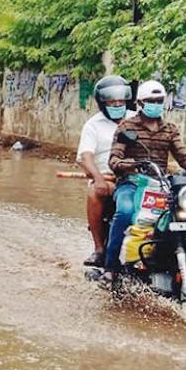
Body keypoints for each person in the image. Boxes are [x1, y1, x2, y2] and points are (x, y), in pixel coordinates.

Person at [104, 80, 186, 272]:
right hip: (132, 183)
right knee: (124, 212)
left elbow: (184, 157)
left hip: (161, 185)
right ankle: (111, 267)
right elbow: (114, 159)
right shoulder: (127, 127)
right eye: (151, 100)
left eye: (159, 100)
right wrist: (130, 165)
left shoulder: (169, 129)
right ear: (140, 103)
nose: (156, 104)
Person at [76, 75, 134, 267]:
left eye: (121, 100)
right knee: (94, 192)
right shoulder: (93, 125)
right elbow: (85, 157)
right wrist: (98, 178)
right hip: (108, 179)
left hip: (139, 179)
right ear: (102, 102)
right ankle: (100, 249)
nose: (117, 104)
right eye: (112, 100)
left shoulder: (137, 119)